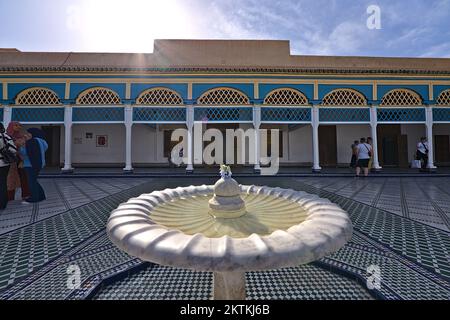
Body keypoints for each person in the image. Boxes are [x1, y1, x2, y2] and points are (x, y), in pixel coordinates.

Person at [20, 128, 48, 203]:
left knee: (31, 182)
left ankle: (34, 198)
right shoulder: (43, 141)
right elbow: (45, 148)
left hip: (29, 164)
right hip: (40, 163)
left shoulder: (31, 142)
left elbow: (25, 153)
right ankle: (41, 196)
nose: (27, 135)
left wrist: (22, 145)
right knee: (34, 180)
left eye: (29, 133)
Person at [6, 122, 31, 200]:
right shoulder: (6, 137)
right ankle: (10, 196)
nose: (18, 127)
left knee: (24, 177)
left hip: (21, 160)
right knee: (10, 178)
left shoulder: (22, 136)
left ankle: (26, 194)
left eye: (19, 125)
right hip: (10, 160)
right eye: (16, 125)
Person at [0, 123, 18, 210]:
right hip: (4, 163)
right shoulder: (6, 137)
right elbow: (14, 149)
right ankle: (3, 202)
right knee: (3, 182)